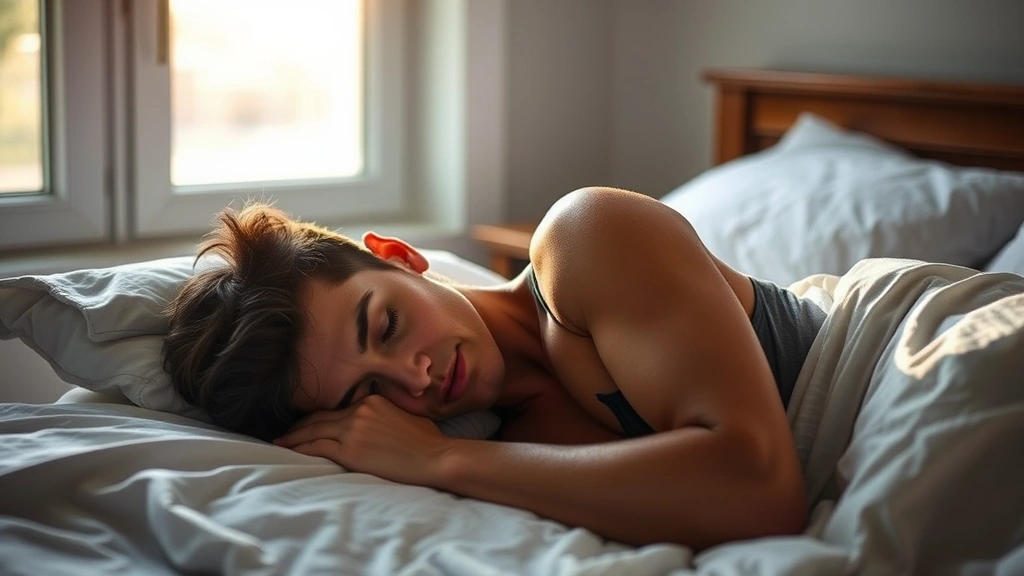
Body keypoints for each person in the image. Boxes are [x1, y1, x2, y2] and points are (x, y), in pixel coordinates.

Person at [163, 187, 827, 550]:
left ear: (399, 256)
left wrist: (438, 461)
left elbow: (762, 492)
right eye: (369, 390)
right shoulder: (517, 453)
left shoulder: (586, 239)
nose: (414, 377)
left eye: (386, 325)